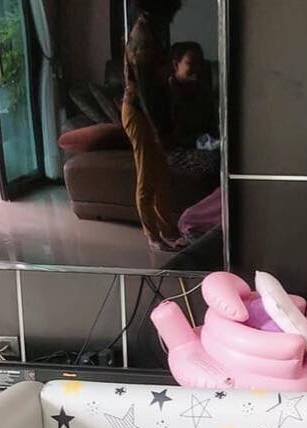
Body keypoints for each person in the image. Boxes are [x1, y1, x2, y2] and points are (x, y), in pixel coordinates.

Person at [123, 0, 186, 250]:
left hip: (149, 110)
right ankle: (153, 236)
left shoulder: (154, 30)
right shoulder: (143, 38)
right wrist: (161, 130)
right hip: (140, 113)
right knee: (147, 175)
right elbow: (147, 94)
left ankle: (168, 230)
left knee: (162, 174)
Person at [168, 41, 217, 148]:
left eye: (200, 64)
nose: (197, 69)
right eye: (191, 64)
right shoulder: (166, 93)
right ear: (176, 65)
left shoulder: (204, 92)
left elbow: (212, 126)